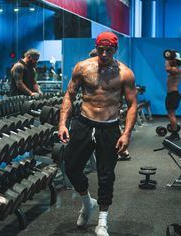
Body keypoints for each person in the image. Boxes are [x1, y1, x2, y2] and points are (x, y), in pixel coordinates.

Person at [58, 32, 137, 236]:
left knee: (106, 175)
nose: (103, 54)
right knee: (72, 167)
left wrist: (126, 133)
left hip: (109, 128)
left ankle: (102, 220)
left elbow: (132, 105)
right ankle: (87, 203)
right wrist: (62, 124)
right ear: (96, 46)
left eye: (108, 50)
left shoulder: (125, 73)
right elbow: (69, 95)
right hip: (83, 123)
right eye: (100, 49)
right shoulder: (83, 67)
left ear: (115, 49)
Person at [88, 47, 131, 161]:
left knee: (114, 129)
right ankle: (123, 152)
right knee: (115, 128)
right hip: (111, 109)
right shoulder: (99, 71)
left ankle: (122, 151)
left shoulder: (114, 72)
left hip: (111, 109)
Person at [165, 57, 181, 140]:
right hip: (171, 94)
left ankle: (175, 134)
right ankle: (174, 130)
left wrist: (167, 59)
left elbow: (167, 69)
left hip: (173, 95)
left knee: (171, 114)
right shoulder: (175, 69)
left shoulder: (175, 70)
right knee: (170, 114)